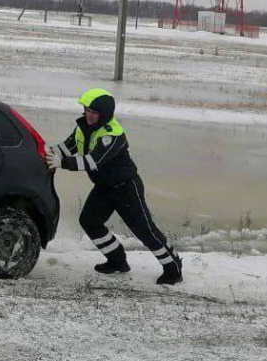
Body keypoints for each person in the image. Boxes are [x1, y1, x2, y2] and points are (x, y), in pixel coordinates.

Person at [45, 88, 183, 285]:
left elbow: (94, 161)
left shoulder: (113, 134)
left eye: (94, 112)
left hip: (126, 188)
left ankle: (173, 267)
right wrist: (44, 152)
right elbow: (66, 149)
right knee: (89, 221)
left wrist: (61, 163)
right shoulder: (82, 128)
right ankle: (117, 260)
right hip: (104, 187)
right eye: (87, 110)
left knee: (145, 231)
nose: (89, 115)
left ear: (105, 115)